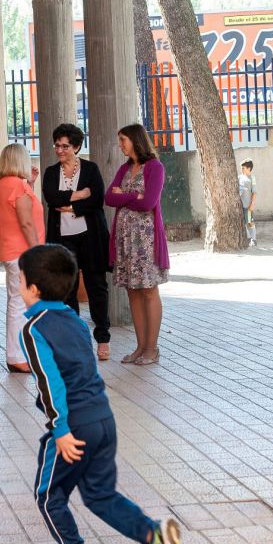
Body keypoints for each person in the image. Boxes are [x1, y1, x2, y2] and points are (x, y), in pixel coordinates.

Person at [17, 244, 186, 544]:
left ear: (33, 289)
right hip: (102, 420)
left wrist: (61, 428)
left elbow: (49, 383)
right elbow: (85, 371)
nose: (18, 285)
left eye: (20, 279)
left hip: (73, 427)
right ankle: (155, 536)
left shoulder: (34, 327)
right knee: (99, 496)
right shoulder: (77, 323)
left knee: (49, 497)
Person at [42, 123, 111, 361]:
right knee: (67, 289)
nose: (60, 150)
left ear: (77, 147)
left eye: (65, 146)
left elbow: (97, 198)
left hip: (90, 237)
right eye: (57, 145)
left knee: (96, 287)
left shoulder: (90, 169)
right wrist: (80, 195)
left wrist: (69, 205)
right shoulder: (51, 173)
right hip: (62, 238)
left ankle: (102, 338)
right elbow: (51, 198)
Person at [104, 124, 169, 366]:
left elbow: (149, 202)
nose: (120, 144)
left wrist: (125, 195)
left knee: (149, 290)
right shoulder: (124, 168)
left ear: (135, 140)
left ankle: (152, 348)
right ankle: (140, 347)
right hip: (125, 240)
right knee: (133, 290)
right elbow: (109, 197)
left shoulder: (155, 167)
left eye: (123, 140)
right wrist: (134, 196)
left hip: (146, 240)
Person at [0, 143, 46, 374]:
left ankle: (20, 353)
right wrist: (38, 252)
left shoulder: (5, 185)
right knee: (19, 304)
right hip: (23, 253)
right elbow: (26, 222)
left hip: (12, 251)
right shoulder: (17, 186)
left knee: (18, 302)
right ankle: (16, 356)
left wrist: (31, 185)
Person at [239, 158, 257, 247]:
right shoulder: (239, 177)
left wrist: (252, 204)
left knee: (250, 222)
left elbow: (254, 192)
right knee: (241, 222)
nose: (242, 170)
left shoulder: (252, 178)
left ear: (249, 168)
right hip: (239, 205)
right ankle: (248, 238)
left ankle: (254, 240)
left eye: (243, 168)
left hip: (248, 205)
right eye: (241, 168)